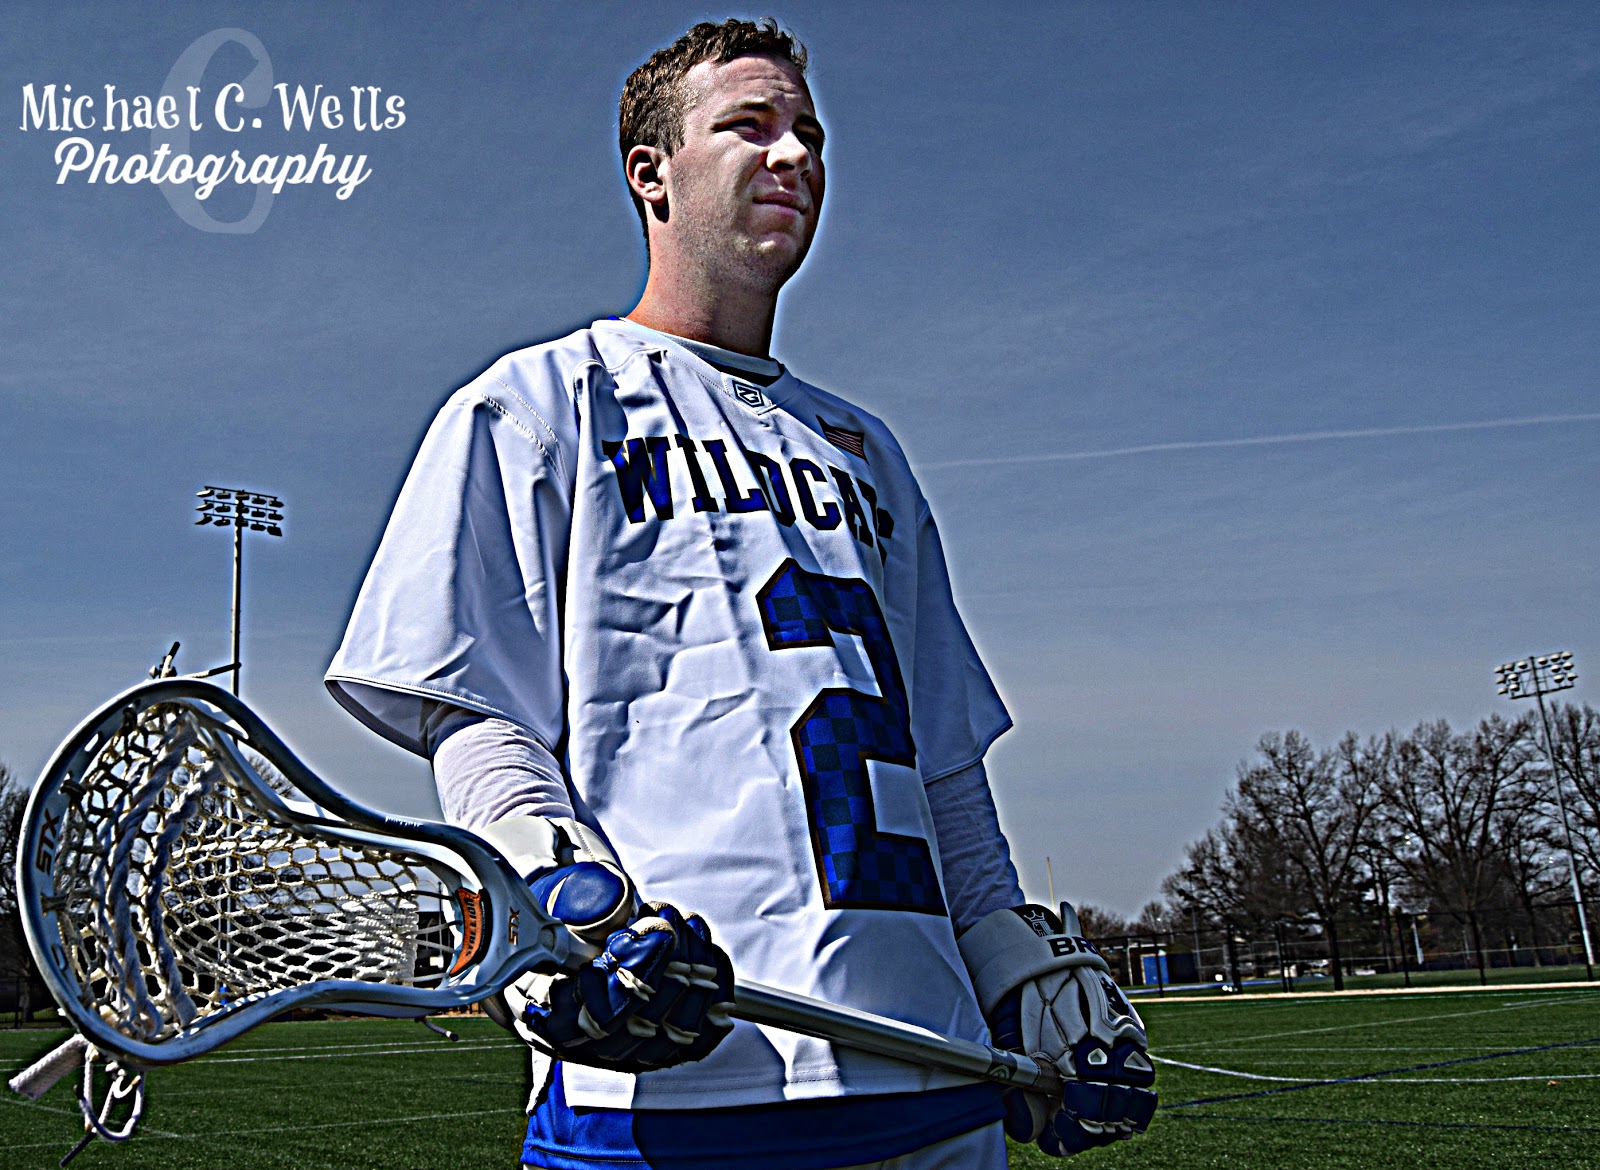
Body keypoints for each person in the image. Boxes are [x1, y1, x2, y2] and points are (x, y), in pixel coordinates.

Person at [327, 18, 1154, 1169]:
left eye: (808, 133)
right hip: (676, 1077)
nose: (794, 155)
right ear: (650, 175)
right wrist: (562, 906)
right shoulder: (538, 403)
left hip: (935, 1077)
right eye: (749, 127)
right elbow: (478, 712)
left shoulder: (867, 447)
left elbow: (943, 765)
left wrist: (1006, 955)